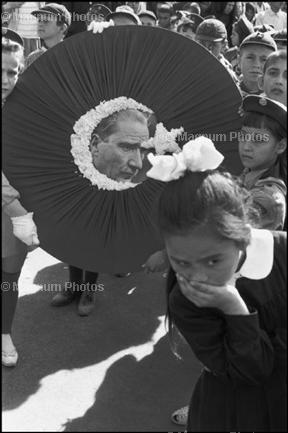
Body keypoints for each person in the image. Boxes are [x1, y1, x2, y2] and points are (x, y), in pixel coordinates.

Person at [146, 137, 287, 432]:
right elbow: (251, 371)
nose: (198, 276)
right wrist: (233, 307)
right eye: (181, 262)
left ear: (242, 234)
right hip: (233, 411)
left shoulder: (281, 253)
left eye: (213, 261)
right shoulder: (185, 300)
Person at [51, 107, 154, 314]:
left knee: (96, 240)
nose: (138, 162)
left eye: (141, 149)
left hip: (110, 199)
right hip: (80, 191)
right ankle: (74, 285)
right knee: (74, 237)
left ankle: (89, 290)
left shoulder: (126, 176)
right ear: (95, 144)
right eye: (126, 147)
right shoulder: (76, 158)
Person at [2, 28, 40, 367]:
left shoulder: (26, 109)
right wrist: (15, 210)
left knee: (8, 278)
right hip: (12, 209)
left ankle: (4, 333)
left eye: (12, 71)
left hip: (17, 212)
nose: (5, 78)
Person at [238, 95, 287, 230]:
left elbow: (229, 231)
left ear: (281, 146)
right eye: (243, 136)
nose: (246, 146)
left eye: (258, 139)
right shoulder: (245, 176)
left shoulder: (269, 198)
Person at [25, 3, 71, 69]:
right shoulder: (32, 59)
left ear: (62, 28)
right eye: (39, 20)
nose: (40, 24)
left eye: (46, 21)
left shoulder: (72, 57)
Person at [195, 18, 239, 84]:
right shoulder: (188, 65)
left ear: (224, 45)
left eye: (211, 46)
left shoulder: (226, 75)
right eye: (201, 44)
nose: (206, 49)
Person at [238, 31, 277, 97]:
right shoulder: (228, 93)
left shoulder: (279, 98)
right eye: (250, 57)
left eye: (264, 60)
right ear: (239, 60)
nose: (256, 65)